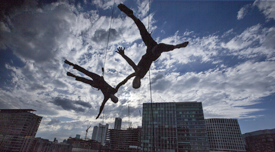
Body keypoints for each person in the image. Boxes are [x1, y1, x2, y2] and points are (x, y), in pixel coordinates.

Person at [117, 4, 189, 89]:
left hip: (149, 48)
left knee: (143, 31)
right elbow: (131, 63)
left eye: (133, 83)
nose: (134, 81)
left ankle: (132, 16)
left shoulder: (135, 74)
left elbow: (128, 77)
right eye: (136, 83)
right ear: (140, 82)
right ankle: (177, 46)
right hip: (153, 54)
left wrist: (122, 83)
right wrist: (123, 55)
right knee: (160, 47)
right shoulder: (139, 73)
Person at [64, 60, 135, 119]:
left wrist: (98, 114)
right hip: (99, 79)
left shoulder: (106, 97)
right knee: (86, 72)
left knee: (85, 80)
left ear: (112, 100)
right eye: (115, 98)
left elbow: (102, 106)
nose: (114, 97)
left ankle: (73, 75)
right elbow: (121, 83)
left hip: (96, 85)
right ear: (115, 96)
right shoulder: (114, 91)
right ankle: (72, 64)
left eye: (114, 99)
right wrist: (130, 77)